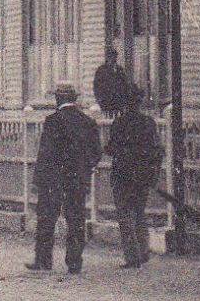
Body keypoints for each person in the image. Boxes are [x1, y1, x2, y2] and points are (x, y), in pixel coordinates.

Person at [28, 83, 103, 274]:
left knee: (46, 219)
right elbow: (96, 152)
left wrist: (38, 180)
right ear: (74, 99)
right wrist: (85, 168)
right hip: (77, 180)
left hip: (53, 180)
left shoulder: (53, 121)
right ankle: (74, 262)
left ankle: (43, 261)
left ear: (58, 99)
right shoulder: (87, 122)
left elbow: (45, 153)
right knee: (76, 219)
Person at [106, 84, 162, 269]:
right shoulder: (149, 123)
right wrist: (153, 172)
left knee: (124, 214)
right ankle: (144, 251)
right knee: (139, 212)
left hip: (123, 175)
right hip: (142, 175)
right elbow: (156, 150)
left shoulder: (119, 123)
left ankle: (132, 256)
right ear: (139, 103)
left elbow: (111, 148)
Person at [93, 47, 133, 117]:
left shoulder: (120, 70)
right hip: (106, 103)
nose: (112, 59)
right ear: (107, 57)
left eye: (114, 57)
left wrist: (124, 100)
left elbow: (125, 85)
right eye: (110, 57)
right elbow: (97, 87)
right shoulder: (101, 70)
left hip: (119, 103)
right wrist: (101, 101)